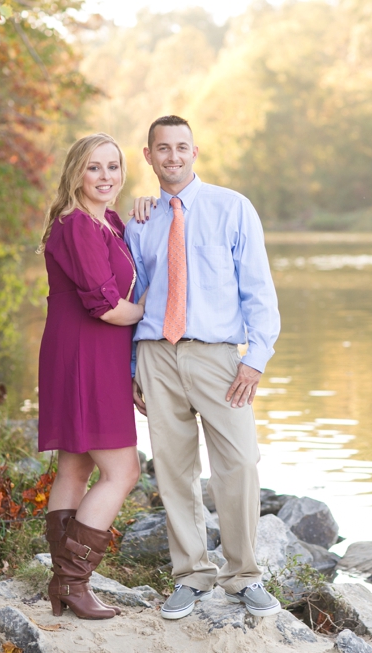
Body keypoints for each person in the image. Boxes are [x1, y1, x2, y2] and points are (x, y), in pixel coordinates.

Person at [124, 115, 282, 620]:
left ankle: (243, 576)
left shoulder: (232, 208)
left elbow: (258, 289)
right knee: (173, 469)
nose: (173, 156)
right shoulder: (141, 221)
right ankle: (191, 575)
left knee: (239, 462)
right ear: (148, 156)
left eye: (182, 147)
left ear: (196, 152)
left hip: (217, 357)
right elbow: (133, 297)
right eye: (162, 148)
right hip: (156, 357)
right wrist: (132, 366)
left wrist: (255, 359)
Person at [36, 133, 144, 620]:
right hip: (85, 353)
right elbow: (105, 305)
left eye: (113, 167)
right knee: (123, 471)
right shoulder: (78, 225)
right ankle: (73, 584)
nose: (106, 177)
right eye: (95, 168)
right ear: (76, 172)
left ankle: (64, 586)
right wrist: (154, 315)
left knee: (76, 468)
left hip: (86, 351)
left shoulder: (110, 221)